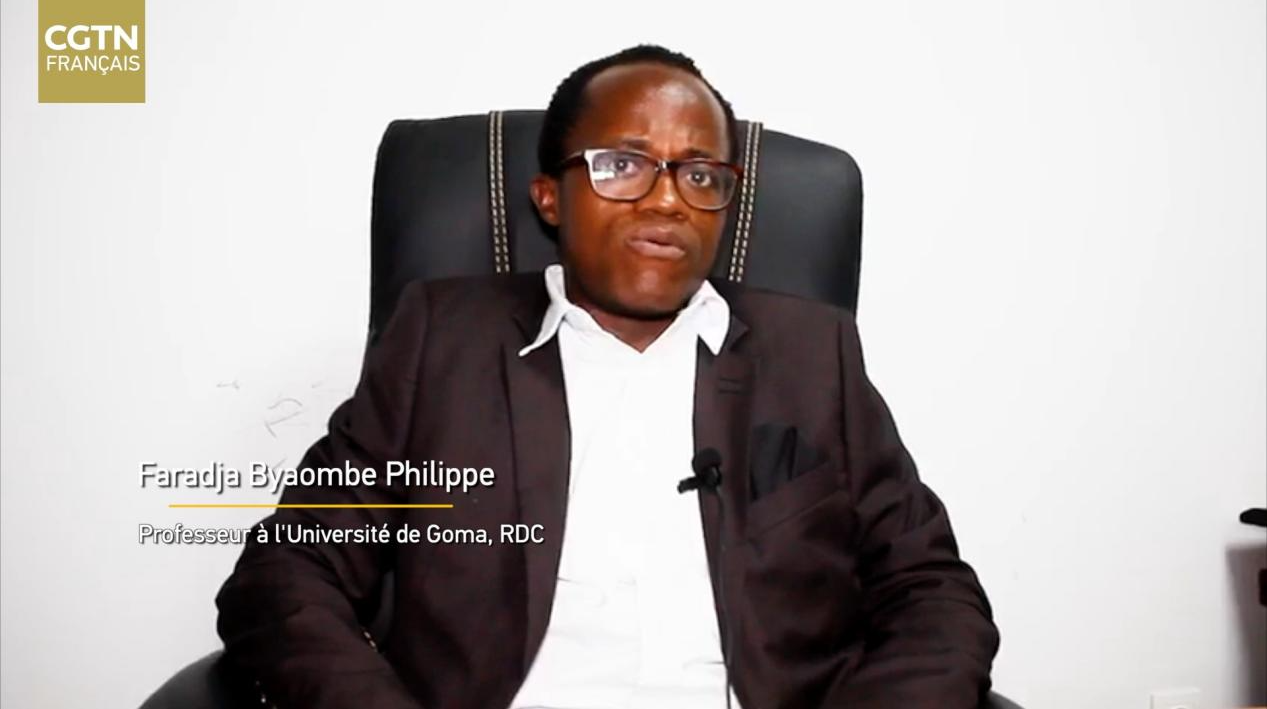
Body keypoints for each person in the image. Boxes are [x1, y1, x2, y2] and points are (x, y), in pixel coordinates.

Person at [216, 44, 999, 709]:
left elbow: (931, 590)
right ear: (549, 197)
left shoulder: (810, 354)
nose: (667, 200)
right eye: (621, 165)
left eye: (700, 175)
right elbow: (289, 570)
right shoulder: (441, 342)